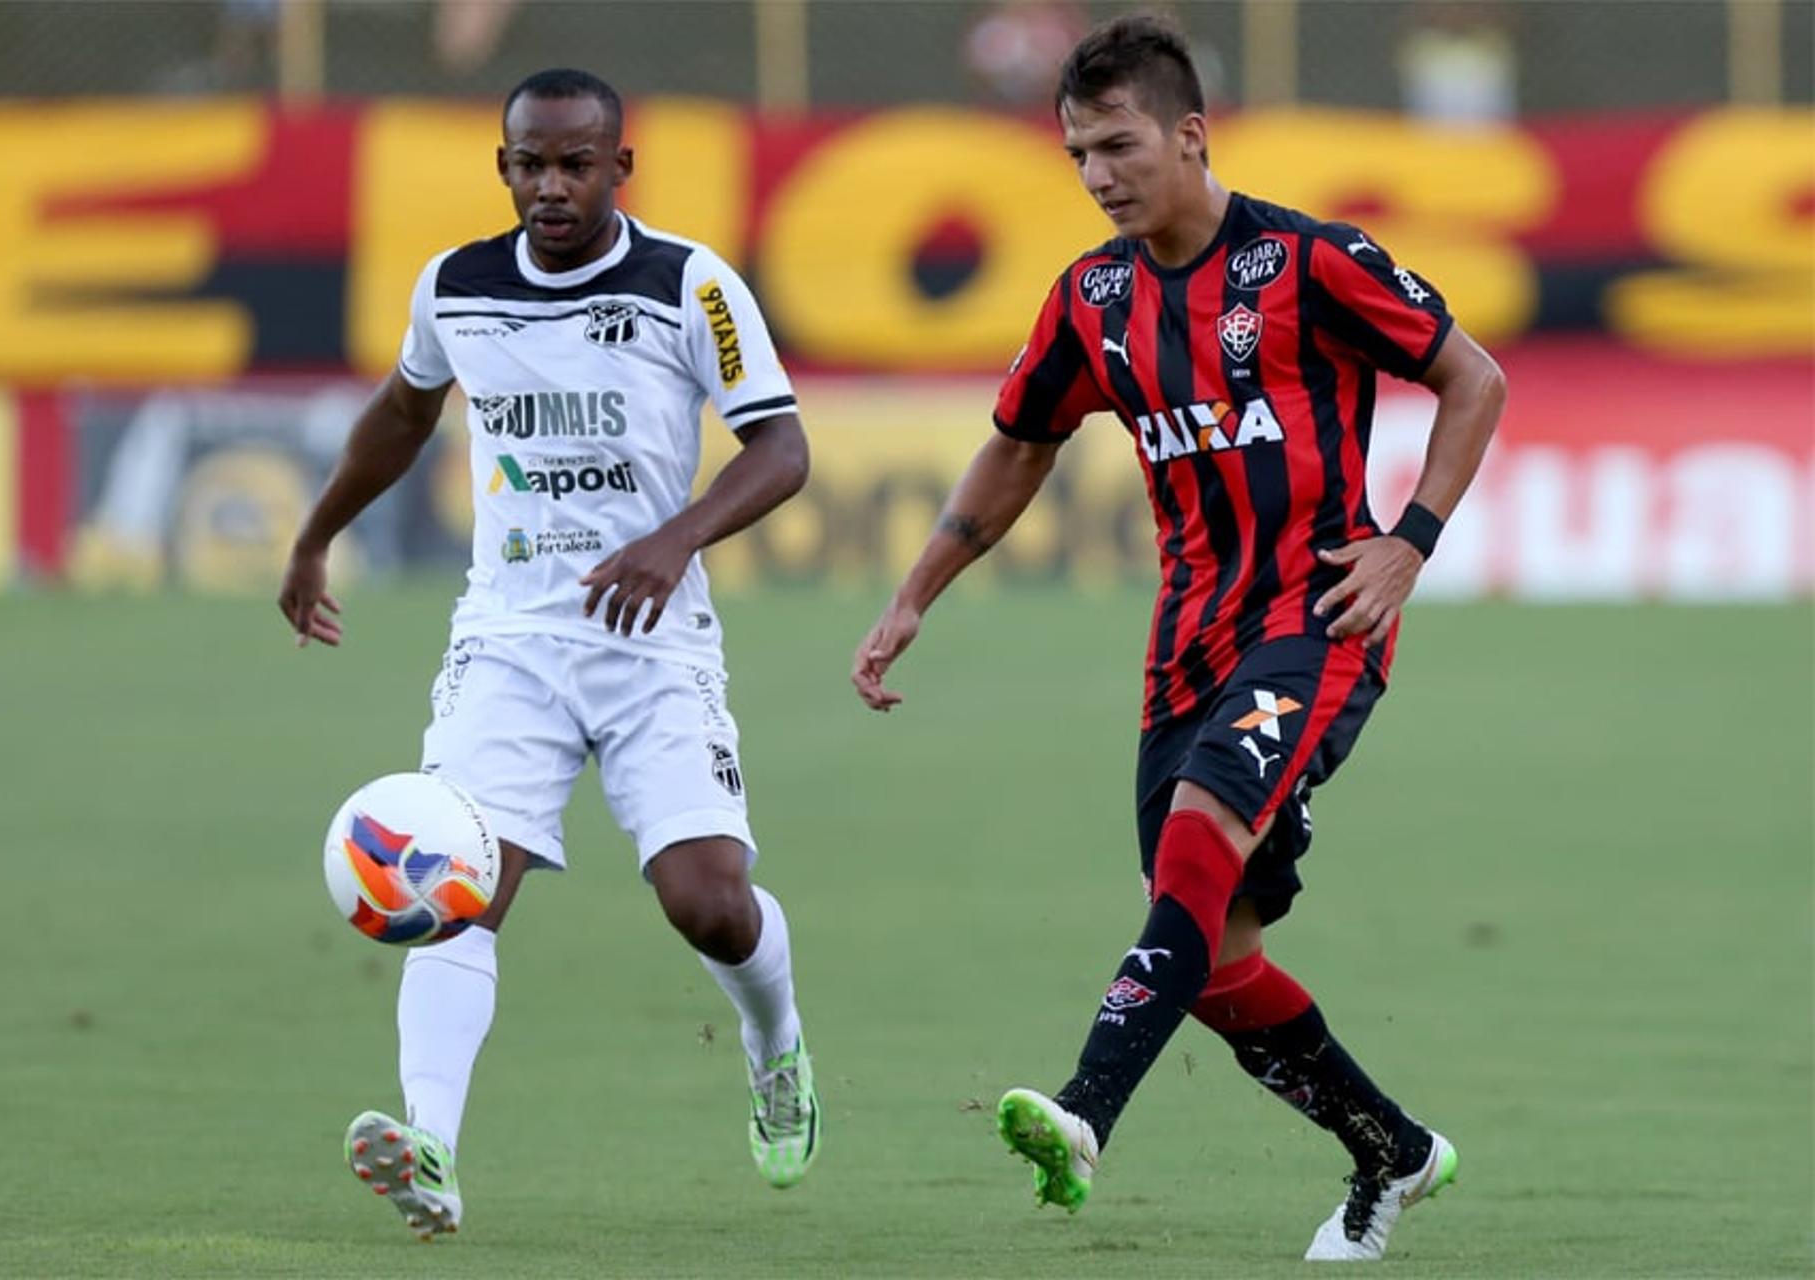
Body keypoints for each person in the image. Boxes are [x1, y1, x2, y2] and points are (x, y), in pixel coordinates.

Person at [852, 15, 1505, 1264]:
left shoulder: (1312, 262)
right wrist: (916, 592)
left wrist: (1409, 539)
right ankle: (1395, 1152)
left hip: (1316, 620)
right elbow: (1020, 444)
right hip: (1186, 648)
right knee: (1210, 957)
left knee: (1202, 839)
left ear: (1189, 134)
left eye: (1117, 145)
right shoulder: (1092, 300)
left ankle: (1085, 1108)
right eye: (1078, 154)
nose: (1098, 175)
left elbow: (1475, 377)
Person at [279, 67, 818, 1241]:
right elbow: (404, 412)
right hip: (509, 641)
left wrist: (676, 540)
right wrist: (317, 533)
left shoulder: (690, 284)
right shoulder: (456, 288)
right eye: (531, 163)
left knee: (709, 904)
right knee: (458, 890)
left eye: (577, 163)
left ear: (621, 168)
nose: (551, 185)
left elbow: (781, 448)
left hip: (652, 639)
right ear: (505, 165)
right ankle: (432, 1148)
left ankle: (774, 1039)